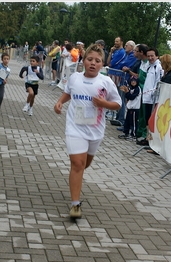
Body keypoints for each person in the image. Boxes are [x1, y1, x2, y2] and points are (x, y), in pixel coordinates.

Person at [53, 44, 122, 219]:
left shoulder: (106, 82)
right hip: (75, 127)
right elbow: (69, 92)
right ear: (83, 61)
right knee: (77, 164)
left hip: (95, 130)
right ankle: (75, 204)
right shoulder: (75, 77)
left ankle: (76, 179)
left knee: (85, 164)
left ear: (101, 65)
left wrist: (103, 104)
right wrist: (60, 102)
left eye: (97, 61)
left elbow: (118, 104)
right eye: (90, 59)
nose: (93, 63)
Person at [140, 47, 163, 146]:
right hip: (147, 97)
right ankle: (148, 137)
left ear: (156, 56)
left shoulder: (158, 67)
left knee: (150, 118)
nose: (150, 58)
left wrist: (153, 94)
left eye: (152, 56)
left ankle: (151, 139)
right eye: (148, 56)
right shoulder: (149, 66)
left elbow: (158, 82)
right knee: (147, 118)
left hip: (152, 98)